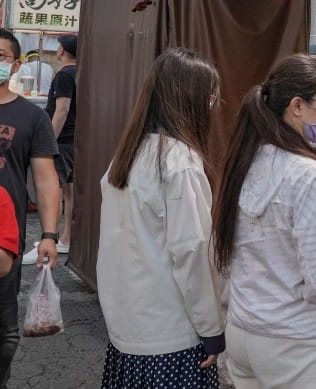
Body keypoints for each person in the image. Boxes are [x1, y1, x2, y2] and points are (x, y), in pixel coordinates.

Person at [213, 54, 316, 389]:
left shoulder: (244, 161)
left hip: (244, 331)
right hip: (297, 343)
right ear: (297, 106)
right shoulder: (308, 175)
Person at [97, 48, 225, 388]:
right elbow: (192, 252)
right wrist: (212, 328)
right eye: (210, 95)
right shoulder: (179, 162)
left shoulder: (128, 154)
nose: (213, 105)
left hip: (127, 326)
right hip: (172, 334)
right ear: (191, 99)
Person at [0, 27, 59, 388]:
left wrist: (49, 235)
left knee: (3, 333)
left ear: (15, 65)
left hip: (3, 240)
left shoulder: (31, 117)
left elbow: (45, 178)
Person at [23, 34, 78, 265]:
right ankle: (66, 239)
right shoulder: (79, 72)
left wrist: (49, 141)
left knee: (52, 190)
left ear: (62, 51)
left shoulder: (65, 74)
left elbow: (62, 109)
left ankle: (50, 241)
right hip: (74, 139)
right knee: (69, 192)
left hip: (62, 141)